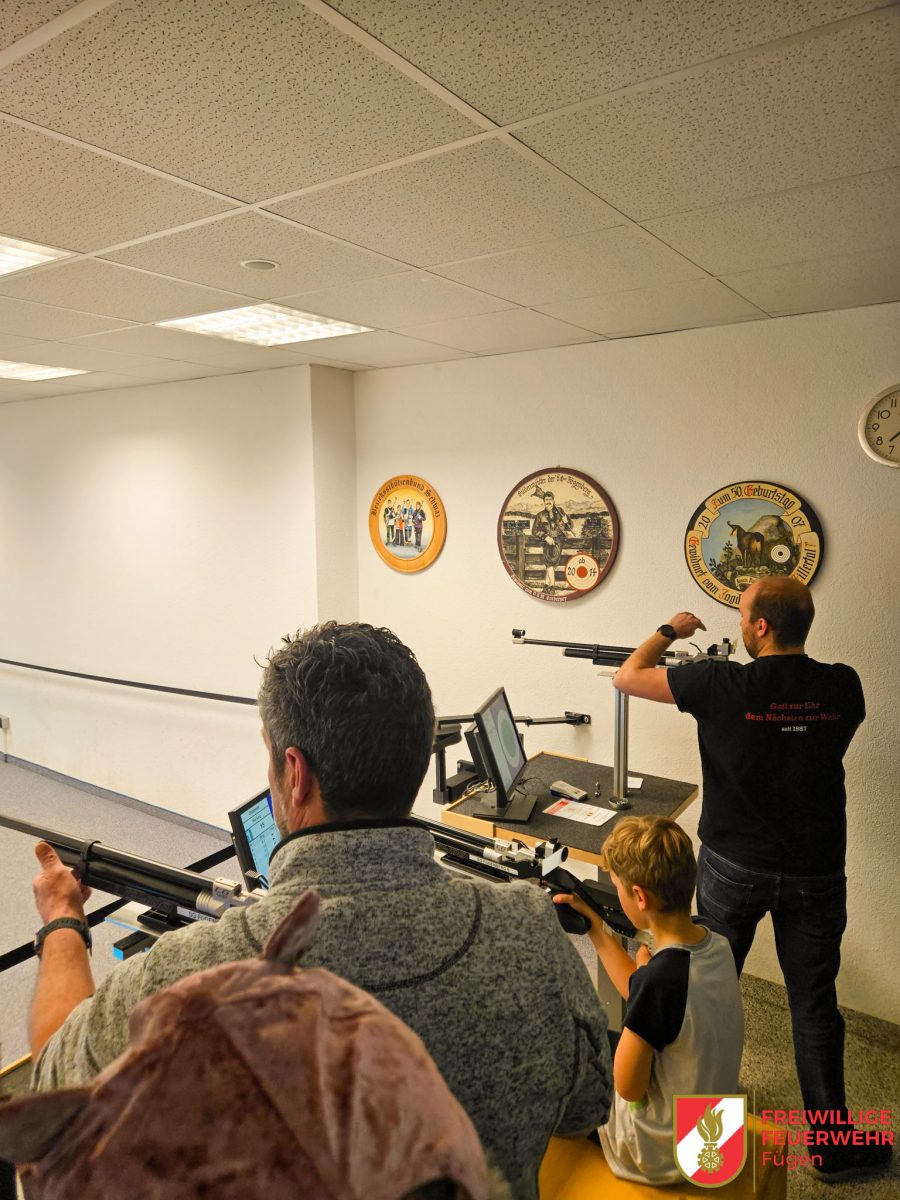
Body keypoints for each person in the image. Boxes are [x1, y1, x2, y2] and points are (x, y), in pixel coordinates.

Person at [28, 622, 612, 1199]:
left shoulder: (180, 980)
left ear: (295, 773)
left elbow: (51, 1095)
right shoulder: (528, 929)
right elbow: (586, 1107)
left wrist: (62, 923)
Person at [612, 577, 891, 1184]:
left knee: (706, 988)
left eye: (742, 614)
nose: (739, 622)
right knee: (814, 1006)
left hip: (733, 867)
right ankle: (831, 1148)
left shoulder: (719, 684)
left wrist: (669, 630)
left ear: (760, 627)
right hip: (816, 870)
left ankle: (698, 1142)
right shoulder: (842, 686)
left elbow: (627, 677)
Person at [554, 816, 743, 1184]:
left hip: (657, 1153)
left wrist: (646, 975)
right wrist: (596, 929)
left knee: (561, 1051)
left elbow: (628, 1087)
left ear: (639, 897)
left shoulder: (660, 981)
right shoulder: (715, 944)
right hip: (708, 1130)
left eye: (618, 889)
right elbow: (650, 999)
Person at [530, 491, 572, 592]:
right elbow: (534, 531)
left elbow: (570, 526)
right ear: (544, 501)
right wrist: (545, 537)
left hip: (559, 540)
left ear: (553, 500)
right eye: (546, 500)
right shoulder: (540, 515)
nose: (548, 501)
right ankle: (552, 586)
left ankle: (546, 585)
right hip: (547, 542)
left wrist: (567, 521)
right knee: (549, 563)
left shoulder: (560, 511)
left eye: (550, 499)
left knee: (552, 564)